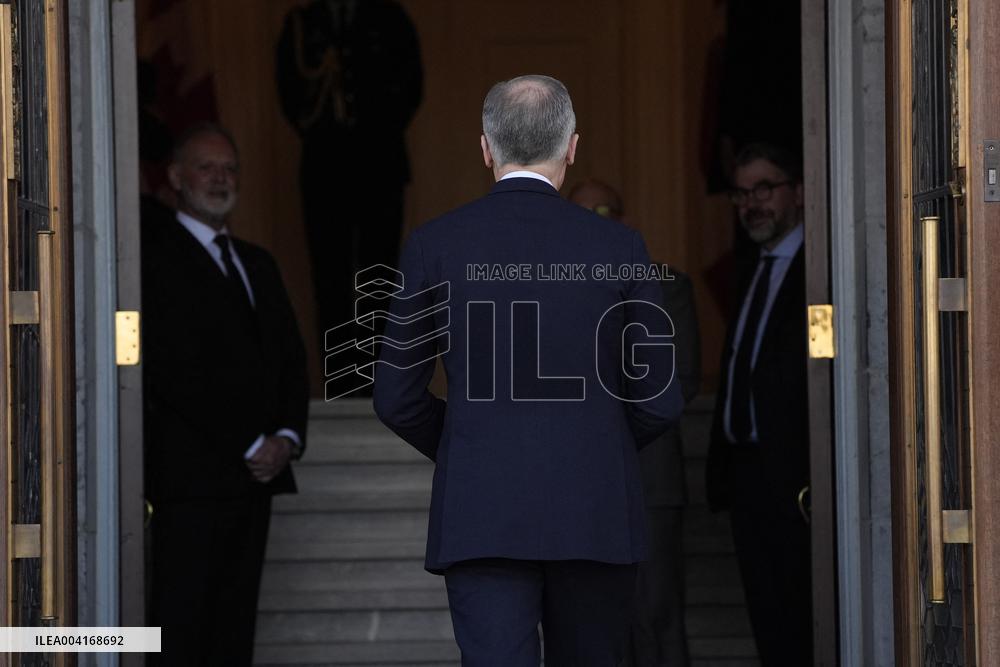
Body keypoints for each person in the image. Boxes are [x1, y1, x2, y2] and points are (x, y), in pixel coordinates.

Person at [373, 75, 684, 667]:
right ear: (572, 147)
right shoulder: (620, 246)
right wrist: (597, 444)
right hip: (594, 512)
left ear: (486, 148)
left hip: (482, 511)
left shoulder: (433, 245)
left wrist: (473, 445)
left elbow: (394, 399)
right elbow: (661, 402)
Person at [141, 124, 309, 665]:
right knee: (182, 631)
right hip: (190, 482)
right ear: (174, 177)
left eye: (230, 168)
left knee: (235, 632)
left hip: (254, 483)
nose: (220, 178)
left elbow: (290, 359)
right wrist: (248, 441)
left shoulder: (257, 262)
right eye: (206, 167)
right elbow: (171, 368)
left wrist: (285, 437)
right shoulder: (149, 258)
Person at [569, 178, 700, 667]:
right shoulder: (546, 289)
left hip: (648, 480)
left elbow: (679, 381)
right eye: (580, 215)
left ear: (624, 221)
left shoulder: (666, 284)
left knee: (656, 619)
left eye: (604, 212)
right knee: (591, 627)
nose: (592, 224)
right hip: (572, 488)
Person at [705, 141, 811, 665]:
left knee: (803, 623)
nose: (752, 203)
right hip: (747, 479)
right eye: (742, 193)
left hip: (800, 483)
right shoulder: (748, 269)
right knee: (767, 624)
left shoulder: (820, 269)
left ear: (800, 192)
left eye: (764, 189)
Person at [276, 0, 423, 343]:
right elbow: (291, 94)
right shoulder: (302, 23)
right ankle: (339, 385)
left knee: (379, 277)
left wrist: (372, 132)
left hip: (380, 169)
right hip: (324, 172)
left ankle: (376, 381)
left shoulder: (390, 19)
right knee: (330, 281)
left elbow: (411, 87)